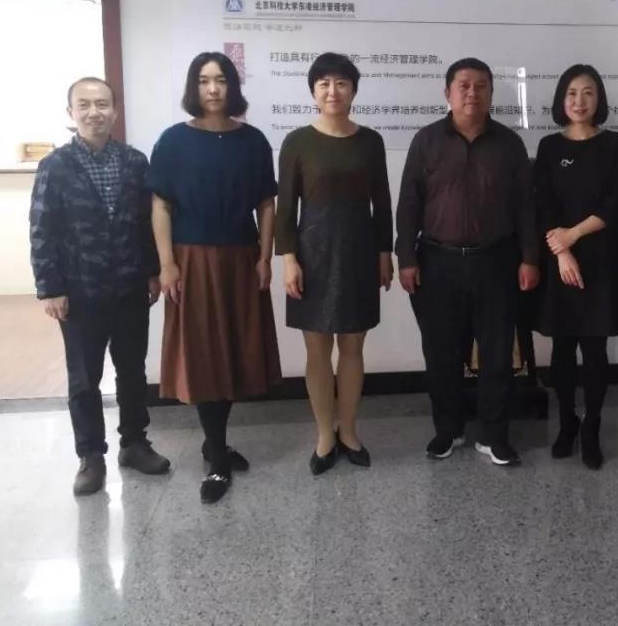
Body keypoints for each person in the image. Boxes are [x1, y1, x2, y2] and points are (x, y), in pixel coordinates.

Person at [150, 52, 282, 503]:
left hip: (240, 257)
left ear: (232, 86)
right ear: (194, 86)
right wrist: (166, 263)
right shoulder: (173, 140)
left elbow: (267, 204)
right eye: (204, 80)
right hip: (192, 259)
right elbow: (160, 205)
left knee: (234, 352)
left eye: (221, 80)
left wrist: (265, 256)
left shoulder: (253, 140)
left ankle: (215, 442)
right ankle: (216, 455)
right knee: (205, 353)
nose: (212, 88)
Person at [396, 57, 539, 467]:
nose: (472, 93)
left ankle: (494, 435)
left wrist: (530, 258)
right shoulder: (426, 141)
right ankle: (448, 429)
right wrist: (406, 257)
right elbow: (409, 204)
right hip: (437, 262)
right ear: (448, 93)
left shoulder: (509, 144)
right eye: (463, 85)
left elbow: (525, 208)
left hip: (497, 261)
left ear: (491, 93)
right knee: (441, 352)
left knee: (497, 353)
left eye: (480, 86)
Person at [30, 77, 170, 496]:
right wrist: (50, 287)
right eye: (85, 105)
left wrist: (152, 271)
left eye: (102, 104)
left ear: (114, 110)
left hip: (129, 288)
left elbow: (147, 224)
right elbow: (42, 228)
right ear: (71, 113)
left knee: (132, 371)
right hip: (79, 293)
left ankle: (134, 443)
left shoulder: (134, 161)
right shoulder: (55, 166)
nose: (94, 112)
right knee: (84, 379)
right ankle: (90, 456)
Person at [277, 53, 393, 476]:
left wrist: (385, 253)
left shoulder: (370, 141)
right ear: (313, 91)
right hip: (312, 256)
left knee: (353, 347)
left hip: (359, 252)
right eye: (323, 83)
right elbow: (286, 206)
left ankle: (350, 431)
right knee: (317, 349)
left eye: (341, 83)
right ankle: (325, 434)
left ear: (353, 90)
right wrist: (289, 259)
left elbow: (382, 202)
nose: (332, 91)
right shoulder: (297, 142)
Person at [533, 64, 618, 470]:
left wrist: (573, 236)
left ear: (599, 99)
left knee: (594, 350)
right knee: (561, 348)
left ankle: (592, 426)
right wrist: (562, 251)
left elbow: (617, 202)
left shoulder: (616, 144)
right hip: (559, 260)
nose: (579, 101)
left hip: (600, 260)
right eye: (572, 93)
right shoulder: (549, 147)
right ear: (561, 99)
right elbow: (542, 204)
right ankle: (567, 422)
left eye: (588, 92)